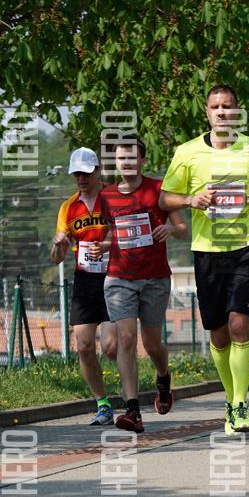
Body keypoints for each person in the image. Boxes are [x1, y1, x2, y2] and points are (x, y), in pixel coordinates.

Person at [159, 84, 249, 434]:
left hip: (247, 246)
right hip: (208, 251)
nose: (222, 112)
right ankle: (230, 398)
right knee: (218, 333)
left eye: (228, 106)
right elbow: (165, 199)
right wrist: (191, 200)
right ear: (207, 113)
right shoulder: (187, 152)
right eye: (216, 107)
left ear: (237, 111)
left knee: (240, 323)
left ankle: (241, 404)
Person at [89, 140, 187, 433]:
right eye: (121, 158)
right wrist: (102, 247)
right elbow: (112, 235)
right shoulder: (106, 196)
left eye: (132, 158)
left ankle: (163, 376)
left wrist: (170, 228)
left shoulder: (158, 190)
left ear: (143, 161)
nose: (126, 163)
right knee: (126, 339)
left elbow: (183, 229)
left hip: (155, 278)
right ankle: (132, 409)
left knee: (152, 344)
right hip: (119, 277)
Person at [52, 147, 117, 426]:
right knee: (83, 346)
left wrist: (106, 246)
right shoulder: (68, 207)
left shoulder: (113, 198)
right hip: (84, 280)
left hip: (114, 277)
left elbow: (126, 235)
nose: (81, 178)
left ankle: (130, 393)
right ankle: (103, 403)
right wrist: (58, 245)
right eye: (76, 174)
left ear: (98, 171)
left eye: (86, 173)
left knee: (112, 347)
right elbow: (57, 257)